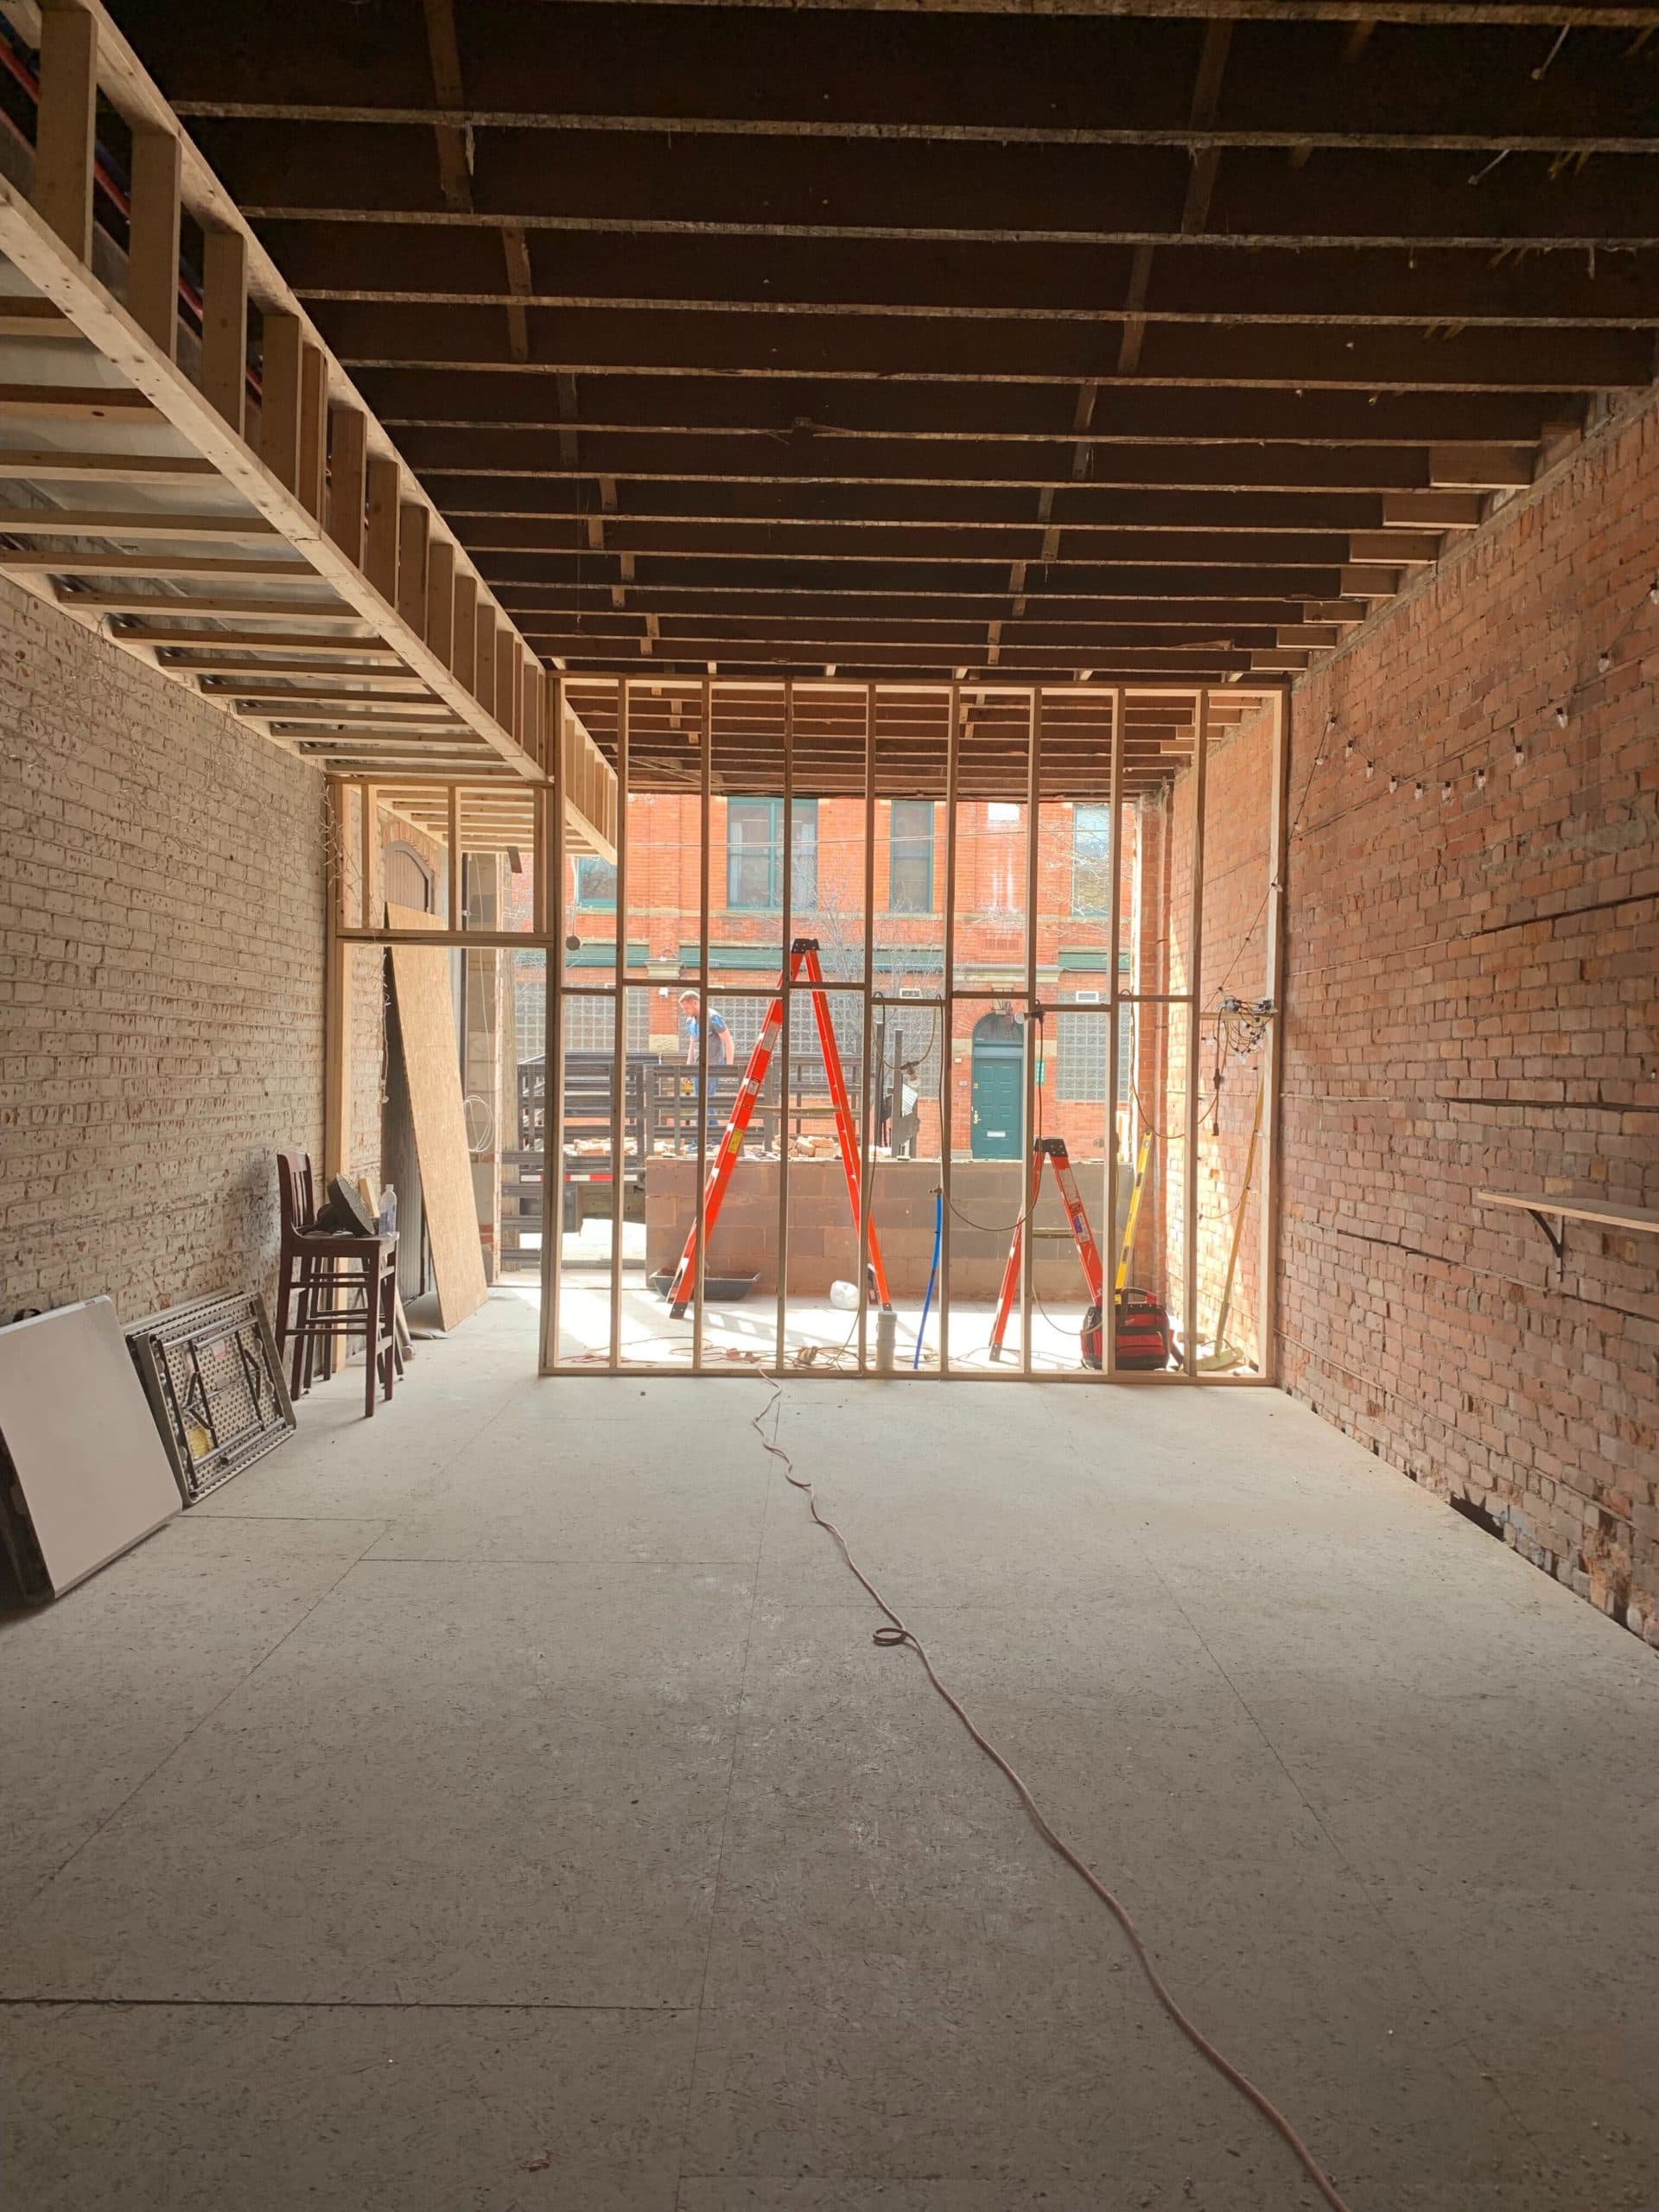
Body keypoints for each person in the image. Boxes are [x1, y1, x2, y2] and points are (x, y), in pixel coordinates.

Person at [679, 989, 734, 1135]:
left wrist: (728, 1067)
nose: (685, 1011)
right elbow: (692, 1045)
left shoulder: (713, 1018)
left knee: (704, 1101)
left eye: (686, 1008)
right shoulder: (690, 1021)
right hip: (698, 1067)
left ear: (695, 1003)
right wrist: (687, 1067)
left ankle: (699, 1139)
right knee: (702, 1101)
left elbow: (728, 1042)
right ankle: (714, 1137)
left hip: (713, 1066)